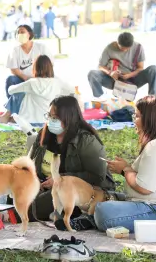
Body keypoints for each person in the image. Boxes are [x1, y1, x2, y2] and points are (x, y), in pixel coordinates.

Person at [94, 96, 156, 232]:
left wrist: (124, 169)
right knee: (105, 196)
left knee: (102, 211)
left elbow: (144, 187)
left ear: (150, 119)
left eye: (137, 116)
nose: (134, 121)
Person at [26, 96, 116, 226]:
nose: (51, 121)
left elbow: (97, 177)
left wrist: (60, 179)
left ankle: (69, 212)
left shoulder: (86, 140)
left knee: (34, 207)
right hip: (48, 186)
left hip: (81, 191)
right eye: (49, 116)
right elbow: (30, 164)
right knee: (17, 195)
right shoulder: (44, 135)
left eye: (56, 117)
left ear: (69, 118)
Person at [87, 32, 156, 101]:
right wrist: (110, 73)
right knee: (92, 74)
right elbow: (100, 66)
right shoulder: (109, 48)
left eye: (128, 48)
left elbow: (140, 68)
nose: (125, 50)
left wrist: (129, 75)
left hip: (133, 79)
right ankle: (100, 100)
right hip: (114, 80)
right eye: (122, 48)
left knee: (154, 69)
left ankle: (152, 99)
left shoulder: (138, 48)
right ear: (117, 43)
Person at [3, 55, 75, 124]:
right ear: (50, 68)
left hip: (29, 121)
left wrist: (21, 88)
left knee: (19, 94)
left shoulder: (31, 83)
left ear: (35, 68)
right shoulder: (57, 82)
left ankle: (6, 116)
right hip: (48, 121)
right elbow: (72, 90)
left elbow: (10, 91)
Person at [3, 25, 53, 119]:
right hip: (22, 79)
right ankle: (11, 110)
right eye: (18, 33)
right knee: (10, 80)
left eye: (22, 32)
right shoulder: (15, 50)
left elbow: (50, 64)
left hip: (40, 79)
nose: (20, 34)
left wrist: (38, 77)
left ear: (29, 34)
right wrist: (25, 77)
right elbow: (13, 68)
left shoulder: (41, 47)